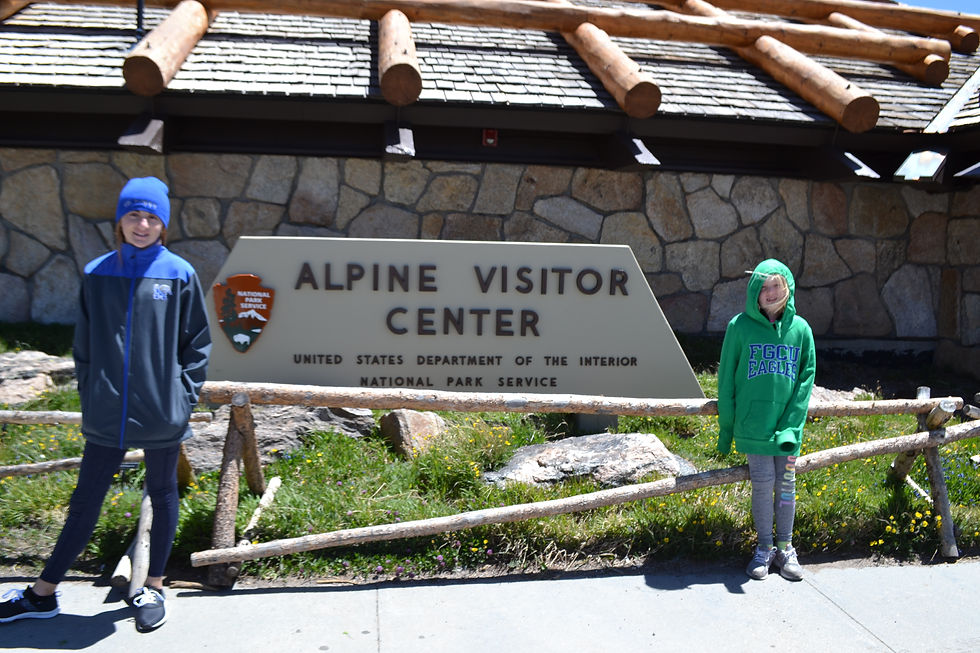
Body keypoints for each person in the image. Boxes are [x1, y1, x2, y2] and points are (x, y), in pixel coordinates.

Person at [0, 177, 212, 631]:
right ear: (120, 220)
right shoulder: (98, 272)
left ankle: (153, 585)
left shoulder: (179, 274)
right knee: (85, 500)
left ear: (164, 224)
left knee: (163, 492)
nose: (142, 224)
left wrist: (182, 399)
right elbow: (84, 347)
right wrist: (92, 393)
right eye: (134, 215)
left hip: (162, 412)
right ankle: (43, 594)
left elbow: (197, 345)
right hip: (106, 413)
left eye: (152, 217)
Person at [717, 259, 815, 581]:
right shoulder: (739, 327)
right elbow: (726, 379)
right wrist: (726, 429)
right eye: (764, 288)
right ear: (754, 292)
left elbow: (805, 380)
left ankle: (786, 548)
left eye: (776, 286)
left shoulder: (801, 331)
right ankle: (764, 548)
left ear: (787, 288)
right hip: (753, 427)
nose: (770, 293)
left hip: (786, 431)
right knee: (761, 486)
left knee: (786, 485)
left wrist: (793, 423)